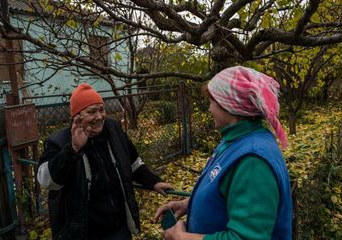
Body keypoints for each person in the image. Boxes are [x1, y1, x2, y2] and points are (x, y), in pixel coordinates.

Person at [154, 66, 292, 240]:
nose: (210, 109)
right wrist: (188, 204)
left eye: (212, 102)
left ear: (230, 106)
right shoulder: (236, 140)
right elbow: (226, 192)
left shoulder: (252, 162)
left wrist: (182, 237)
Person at [37, 83, 172, 240]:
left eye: (102, 109)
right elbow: (46, 181)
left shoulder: (112, 129)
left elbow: (133, 162)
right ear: (77, 116)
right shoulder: (59, 141)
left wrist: (153, 182)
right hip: (83, 232)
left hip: (118, 228)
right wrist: (72, 149)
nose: (99, 116)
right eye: (92, 111)